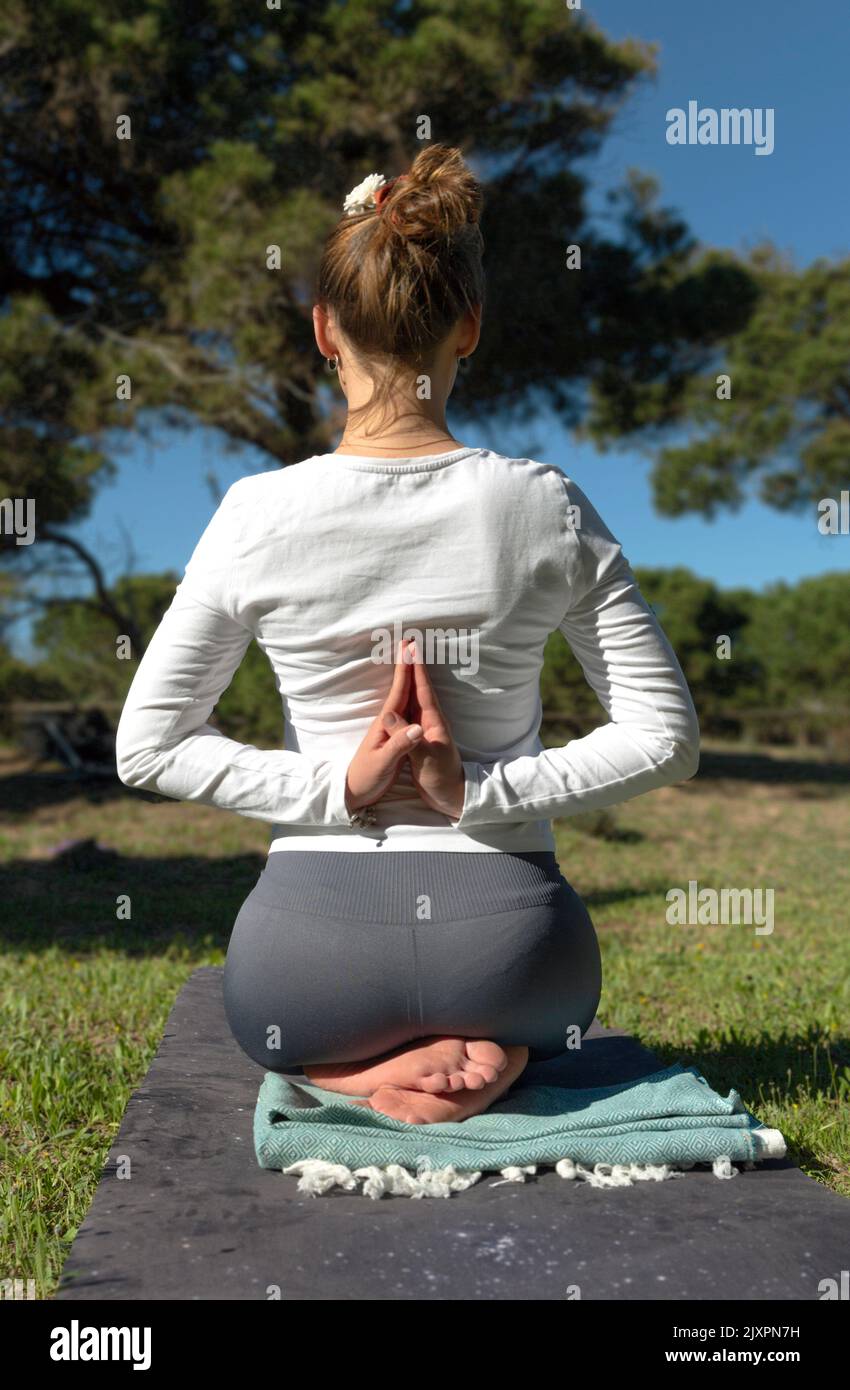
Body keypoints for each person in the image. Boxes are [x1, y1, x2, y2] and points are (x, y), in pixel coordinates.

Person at [115, 144, 700, 1126]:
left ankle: (346, 1075)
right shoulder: (544, 503)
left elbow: (149, 743)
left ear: (321, 329)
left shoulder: (256, 511)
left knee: (272, 1031)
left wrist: (336, 788)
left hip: (305, 976)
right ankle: (495, 1051)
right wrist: (478, 791)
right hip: (522, 961)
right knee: (540, 1011)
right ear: (467, 329)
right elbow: (667, 737)